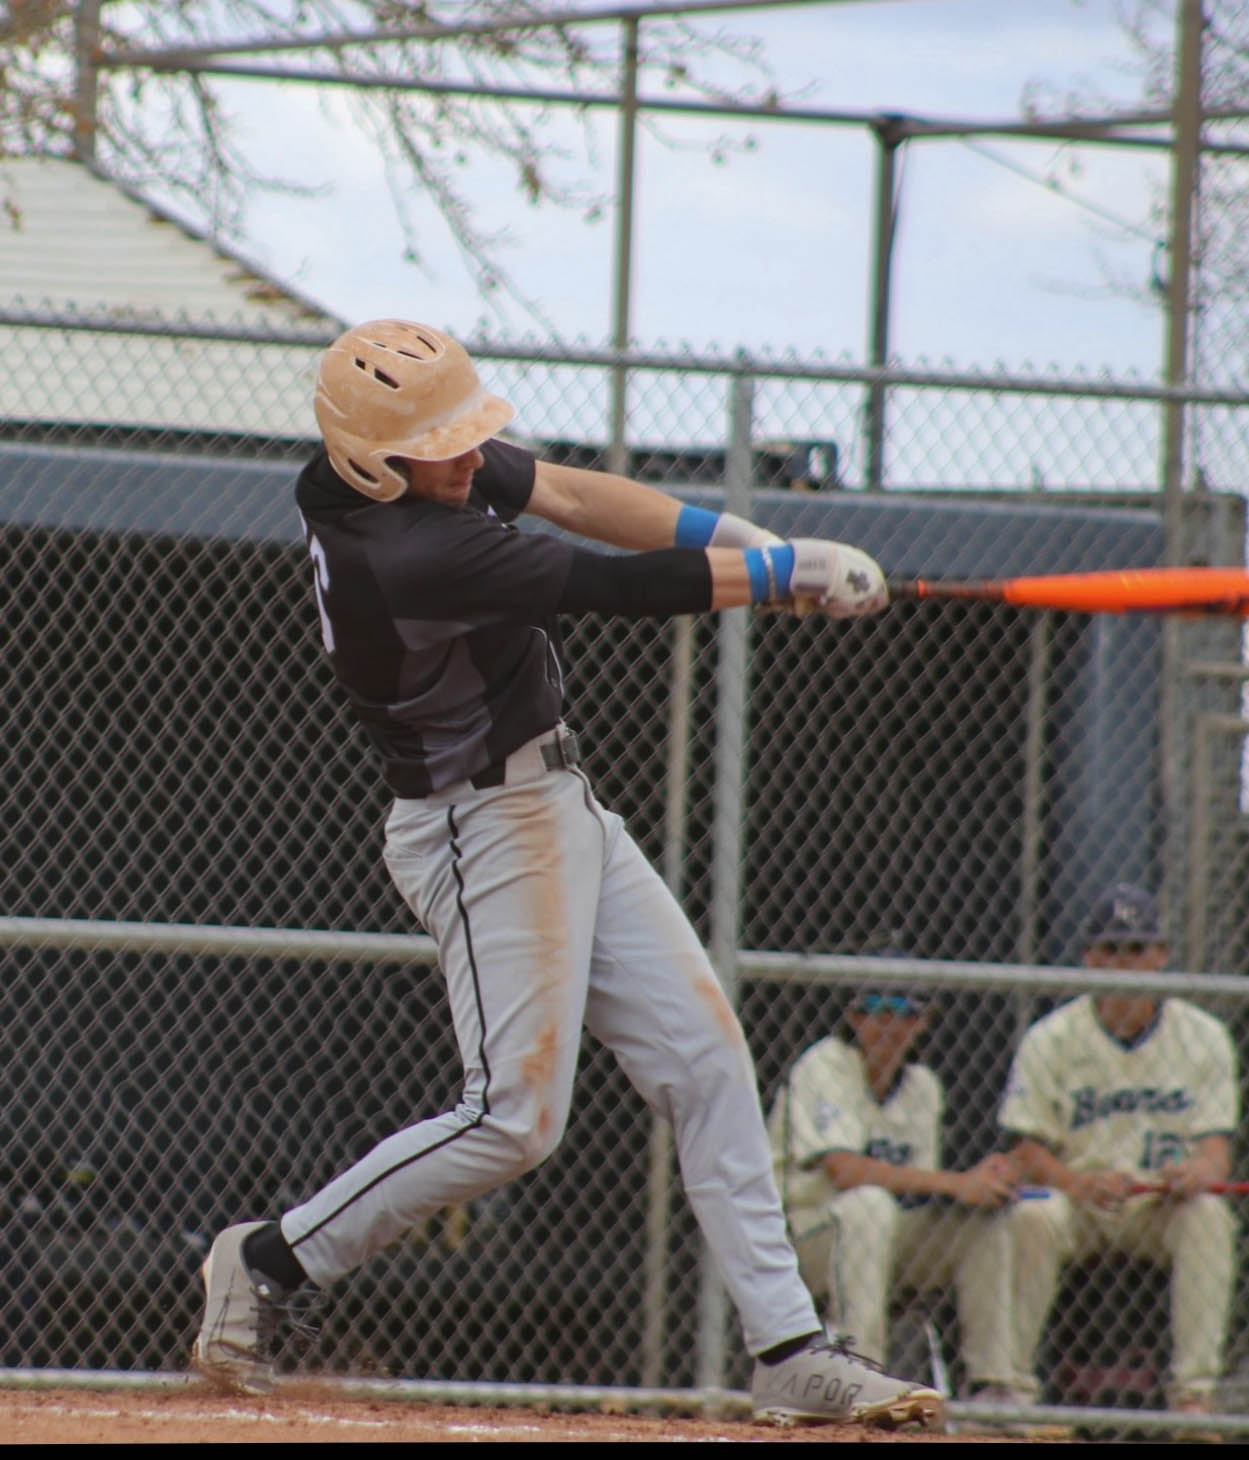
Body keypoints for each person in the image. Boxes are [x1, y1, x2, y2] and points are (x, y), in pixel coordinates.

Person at [190, 318, 944, 1430]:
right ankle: (268, 1258)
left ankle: (789, 1349)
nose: (466, 457)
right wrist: (780, 572)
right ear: (375, 462)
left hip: (555, 800)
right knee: (513, 1118)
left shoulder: (401, 471)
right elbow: (613, 583)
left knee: (706, 1059)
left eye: (462, 434)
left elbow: (577, 496)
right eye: (437, 447)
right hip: (479, 824)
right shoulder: (412, 552)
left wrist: (753, 540)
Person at [997, 883, 1240, 1426]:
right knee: (1033, 1215)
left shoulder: (1203, 1035)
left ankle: (1193, 1398)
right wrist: (1077, 1183)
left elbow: (1216, 1155)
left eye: (1135, 949)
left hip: (1157, 1205)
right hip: (1079, 1202)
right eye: (1110, 949)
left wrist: (1195, 1174)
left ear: (1161, 956)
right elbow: (1026, 1149)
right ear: (1088, 958)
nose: (1122, 963)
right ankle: (1012, 1393)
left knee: (1208, 1215)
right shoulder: (1052, 1036)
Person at [766, 973, 1021, 1400]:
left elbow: (916, 1193)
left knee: (982, 1224)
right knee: (868, 1205)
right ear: (855, 1017)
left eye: (906, 1013)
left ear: (923, 1023)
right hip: (809, 1239)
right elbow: (844, 1171)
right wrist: (957, 1182)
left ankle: (993, 1388)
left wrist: (985, 1183)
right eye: (878, 1011)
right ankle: (861, 1380)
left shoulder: (923, 1086)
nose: (891, 1024)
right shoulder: (825, 1063)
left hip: (887, 1240)